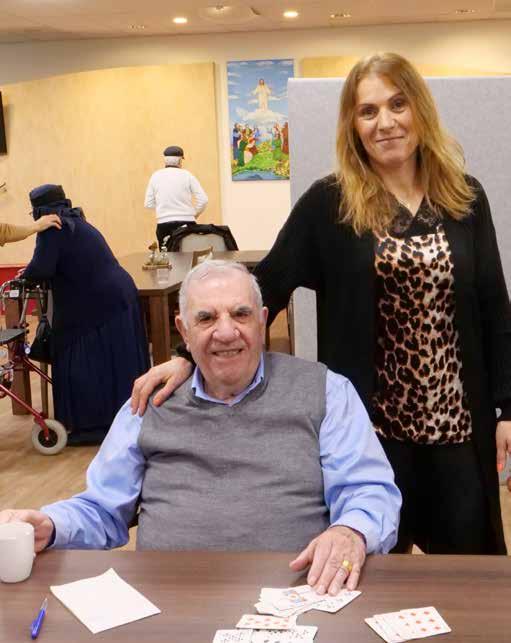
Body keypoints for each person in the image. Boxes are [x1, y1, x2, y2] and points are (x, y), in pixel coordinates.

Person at [131, 53, 511, 556]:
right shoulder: (330, 204)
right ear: (353, 125)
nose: (385, 122)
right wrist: (187, 355)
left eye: (397, 104)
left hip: (458, 431)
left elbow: (494, 309)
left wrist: (508, 409)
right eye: (368, 111)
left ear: (419, 109)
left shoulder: (464, 198)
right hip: (369, 439)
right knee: (364, 578)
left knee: (470, 582)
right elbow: (263, 288)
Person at [0, 261, 401, 596]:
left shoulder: (325, 391)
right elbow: (102, 509)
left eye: (241, 314)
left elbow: (369, 490)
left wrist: (351, 531)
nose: (226, 332)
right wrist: (50, 524)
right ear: (184, 331)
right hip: (169, 603)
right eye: (206, 318)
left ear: (262, 321)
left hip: (296, 601)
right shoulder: (150, 401)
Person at [22, 184, 150, 445]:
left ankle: (92, 426)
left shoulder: (52, 229)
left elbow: (42, 267)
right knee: (115, 362)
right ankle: (124, 419)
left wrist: (26, 274)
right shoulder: (77, 222)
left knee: (80, 359)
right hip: (117, 297)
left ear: (38, 211)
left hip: (97, 303)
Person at [144, 145, 208, 249]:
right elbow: (203, 200)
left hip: (164, 224)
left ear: (165, 160)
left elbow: (148, 204)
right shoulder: (187, 175)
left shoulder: (155, 176)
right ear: (179, 161)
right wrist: (194, 214)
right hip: (187, 223)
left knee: (167, 256)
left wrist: (164, 207)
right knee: (188, 255)